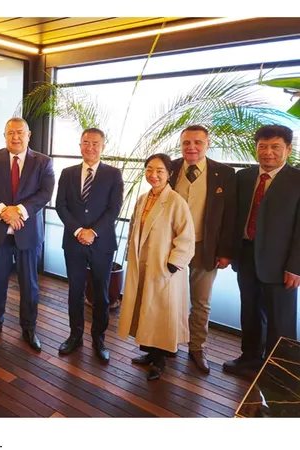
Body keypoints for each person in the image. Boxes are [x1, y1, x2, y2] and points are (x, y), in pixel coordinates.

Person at [224, 125, 300, 376]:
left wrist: (296, 267)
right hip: (246, 255)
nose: (268, 152)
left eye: (275, 147)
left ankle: (280, 372)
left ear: (288, 149)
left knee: (281, 318)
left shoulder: (297, 180)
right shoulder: (243, 177)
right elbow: (233, 217)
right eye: (263, 146)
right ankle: (249, 358)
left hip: (281, 263)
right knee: (250, 311)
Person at [0, 118, 55, 351]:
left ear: (28, 135)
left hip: (28, 233)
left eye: (20, 132)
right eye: (10, 133)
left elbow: (45, 193)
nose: (15, 137)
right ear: (5, 136)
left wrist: (18, 211)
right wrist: (3, 212)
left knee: (29, 284)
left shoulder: (43, 162)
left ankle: (29, 328)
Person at [118, 153, 195, 381]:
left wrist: (173, 262)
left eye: (160, 171)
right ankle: (150, 353)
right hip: (143, 264)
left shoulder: (176, 201)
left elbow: (186, 236)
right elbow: (134, 228)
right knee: (146, 309)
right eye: (149, 169)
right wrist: (129, 254)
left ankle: (160, 359)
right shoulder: (143, 199)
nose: (154, 175)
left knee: (161, 313)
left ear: (169, 174)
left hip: (163, 267)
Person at [169, 125, 236, 374]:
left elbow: (230, 215)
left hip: (205, 247)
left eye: (198, 142)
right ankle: (166, 344)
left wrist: (225, 251)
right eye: (186, 142)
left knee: (201, 301)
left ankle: (196, 347)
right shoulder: (170, 168)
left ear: (208, 143)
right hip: (171, 246)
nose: (192, 147)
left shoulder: (224, 173)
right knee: (168, 297)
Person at [55, 128, 123, 362]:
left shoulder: (113, 174)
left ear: (103, 147)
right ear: (80, 145)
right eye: (86, 143)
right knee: (75, 291)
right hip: (73, 242)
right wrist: (78, 231)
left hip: (102, 243)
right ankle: (75, 336)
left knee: (101, 293)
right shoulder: (67, 173)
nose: (90, 147)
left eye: (95, 143)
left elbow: (114, 209)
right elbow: (61, 205)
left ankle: (98, 339)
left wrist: (92, 232)